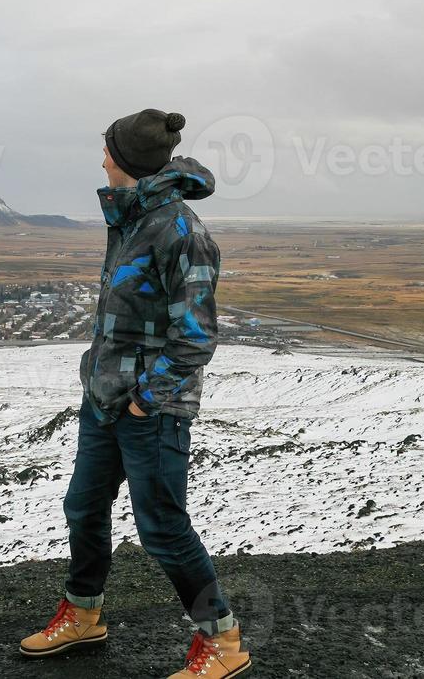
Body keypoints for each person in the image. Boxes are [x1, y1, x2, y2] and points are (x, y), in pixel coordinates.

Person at [20, 109, 252, 677]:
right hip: (104, 399)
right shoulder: (129, 218)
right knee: (83, 508)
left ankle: (221, 641)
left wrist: (148, 397)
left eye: (107, 153)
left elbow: (196, 335)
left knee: (164, 529)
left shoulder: (181, 231)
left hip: (151, 408)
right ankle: (83, 614)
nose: (101, 161)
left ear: (126, 161)